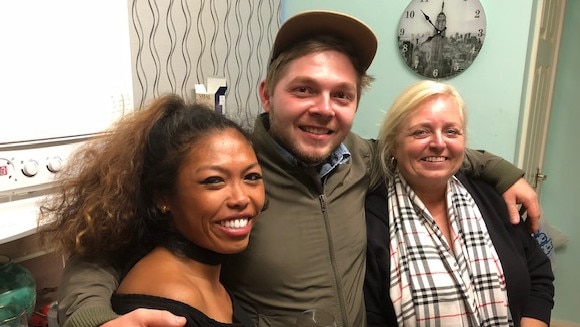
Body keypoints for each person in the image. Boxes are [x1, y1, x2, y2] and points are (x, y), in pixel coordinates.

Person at [53, 10, 543, 327]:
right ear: (268, 94)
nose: (324, 108)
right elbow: (105, 246)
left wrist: (504, 172)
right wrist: (93, 318)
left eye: (341, 95)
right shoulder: (232, 170)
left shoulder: (365, 159)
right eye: (304, 89)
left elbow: (425, 149)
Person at [38, 95, 265, 327]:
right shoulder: (170, 303)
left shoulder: (207, 272)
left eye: (252, 177)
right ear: (162, 197)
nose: (241, 198)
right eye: (214, 180)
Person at [364, 80, 554, 326]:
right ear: (393, 145)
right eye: (421, 131)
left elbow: (538, 273)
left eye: (451, 131)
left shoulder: (490, 196)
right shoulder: (371, 219)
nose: (439, 143)